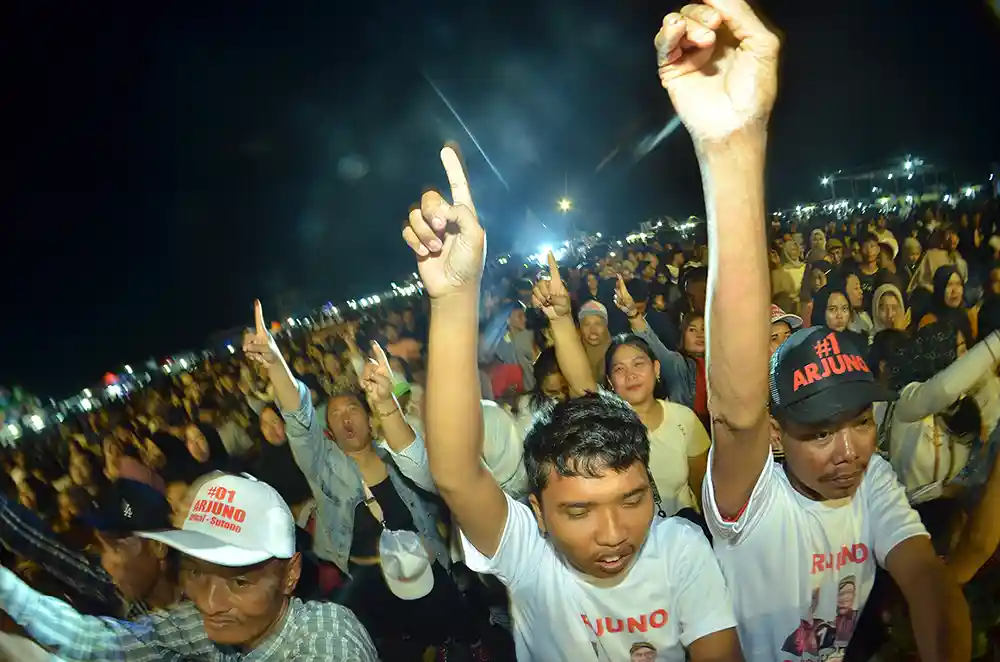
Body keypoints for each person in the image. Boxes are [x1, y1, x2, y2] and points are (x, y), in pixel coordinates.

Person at [665, 1, 972, 660]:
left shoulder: (873, 483)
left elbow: (925, 577)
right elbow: (738, 414)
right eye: (819, 431)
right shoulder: (751, 499)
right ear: (778, 435)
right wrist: (732, 149)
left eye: (859, 420)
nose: (849, 451)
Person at [400, 140, 742, 662]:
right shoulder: (530, 557)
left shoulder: (680, 549)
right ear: (536, 512)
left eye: (632, 500)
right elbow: (456, 475)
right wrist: (453, 298)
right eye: (579, 510)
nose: (613, 535)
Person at [0, 472, 377, 660]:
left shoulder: (329, 644)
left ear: (290, 574)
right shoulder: (215, 624)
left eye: (240, 582)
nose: (210, 602)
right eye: (196, 572)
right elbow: (101, 642)